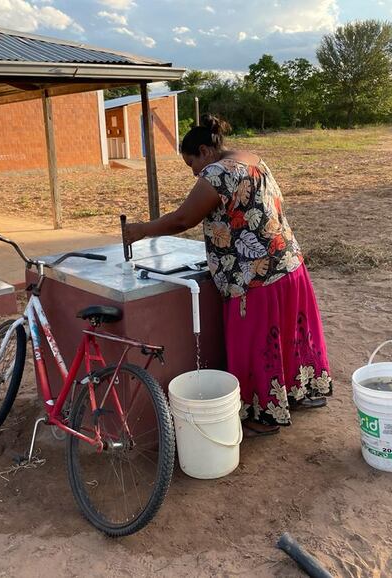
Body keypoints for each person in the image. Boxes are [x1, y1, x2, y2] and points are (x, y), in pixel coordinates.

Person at [123, 114, 331, 437]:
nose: (194, 172)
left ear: (204, 151)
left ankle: (264, 417)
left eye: (191, 163)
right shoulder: (252, 159)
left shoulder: (218, 173)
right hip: (288, 264)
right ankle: (300, 394)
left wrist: (139, 231)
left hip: (254, 278)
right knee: (290, 337)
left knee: (256, 346)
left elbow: (181, 220)